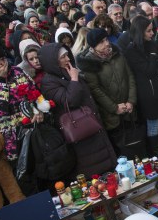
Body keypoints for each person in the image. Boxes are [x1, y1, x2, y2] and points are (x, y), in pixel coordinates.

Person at [38, 42, 117, 177]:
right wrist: (74, 79)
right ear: (52, 61)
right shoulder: (48, 82)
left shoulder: (68, 71)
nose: (68, 59)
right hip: (81, 132)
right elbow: (70, 101)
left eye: (67, 55)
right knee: (94, 171)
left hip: (93, 125)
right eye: (63, 57)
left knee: (108, 166)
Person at [78, 28, 142, 158]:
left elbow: (129, 76)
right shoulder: (89, 63)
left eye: (106, 39)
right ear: (93, 46)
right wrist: (114, 107)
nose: (106, 43)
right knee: (122, 151)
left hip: (129, 110)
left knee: (137, 146)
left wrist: (131, 100)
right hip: (111, 115)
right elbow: (95, 90)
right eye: (101, 42)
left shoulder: (117, 54)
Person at [117, 18, 158, 155]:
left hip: (157, 90)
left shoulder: (151, 44)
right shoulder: (132, 50)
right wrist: (153, 56)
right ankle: (155, 151)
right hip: (146, 93)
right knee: (153, 124)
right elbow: (148, 70)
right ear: (140, 32)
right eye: (149, 31)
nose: (152, 33)